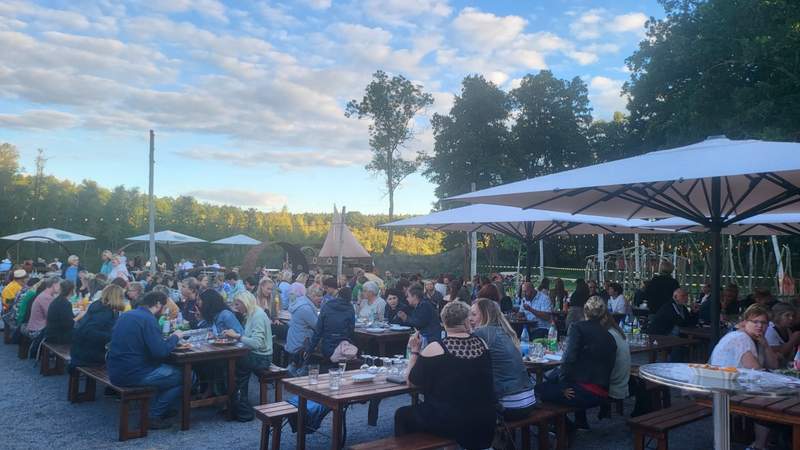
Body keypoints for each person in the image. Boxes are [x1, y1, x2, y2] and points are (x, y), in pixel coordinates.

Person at [394, 301, 495, 449]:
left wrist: (414, 351)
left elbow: (411, 382)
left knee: (402, 415)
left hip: (451, 422)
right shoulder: (482, 344)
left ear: (443, 321)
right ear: (466, 320)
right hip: (485, 419)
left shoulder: (435, 348)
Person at [107, 291, 188, 429]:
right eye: (164, 306)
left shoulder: (127, 315)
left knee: (167, 373)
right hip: (134, 374)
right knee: (186, 376)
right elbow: (160, 352)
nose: (165, 310)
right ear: (157, 304)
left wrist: (166, 342)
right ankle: (154, 415)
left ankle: (159, 408)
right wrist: (175, 337)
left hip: (115, 370)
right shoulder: (148, 319)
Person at [535, 296, 616, 430]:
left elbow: (568, 359)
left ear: (585, 310)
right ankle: (580, 421)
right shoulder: (609, 335)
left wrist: (563, 386)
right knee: (562, 380)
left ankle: (565, 429)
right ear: (603, 313)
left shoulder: (577, 327)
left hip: (586, 392)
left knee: (539, 390)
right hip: (603, 391)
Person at [709, 304, 779, 450]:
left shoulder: (756, 339)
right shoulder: (741, 338)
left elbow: (774, 366)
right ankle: (759, 446)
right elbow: (756, 370)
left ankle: (765, 440)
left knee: (774, 397)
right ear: (745, 322)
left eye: (764, 323)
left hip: (735, 385)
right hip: (723, 390)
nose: (760, 326)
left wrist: (766, 346)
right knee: (770, 401)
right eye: (755, 322)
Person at [469, 298, 536, 421]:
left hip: (510, 405)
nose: (469, 318)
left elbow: (467, 365)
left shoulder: (481, 332)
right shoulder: (505, 331)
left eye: (473, 314)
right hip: (529, 399)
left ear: (485, 315)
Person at [222, 291, 272, 422]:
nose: (236, 307)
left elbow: (256, 343)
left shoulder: (258, 316)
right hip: (256, 354)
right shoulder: (252, 314)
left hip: (262, 358)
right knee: (230, 365)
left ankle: (242, 410)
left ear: (246, 302)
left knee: (235, 368)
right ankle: (236, 406)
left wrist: (237, 336)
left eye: (238, 304)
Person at [69, 284, 126, 369]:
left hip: (79, 350)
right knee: (124, 358)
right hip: (89, 354)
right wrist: (112, 336)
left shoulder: (98, 305)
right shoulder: (105, 312)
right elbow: (90, 332)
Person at [307, 286, 356, 362]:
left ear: (338, 295)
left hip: (327, 345)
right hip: (343, 347)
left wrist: (310, 349)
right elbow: (351, 329)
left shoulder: (327, 306)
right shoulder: (350, 308)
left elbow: (318, 329)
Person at [600, 309, 630, 418]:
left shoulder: (606, 334)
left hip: (614, 382)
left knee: (577, 379)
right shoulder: (617, 331)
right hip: (623, 378)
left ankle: (581, 421)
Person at [285, 283, 319, 372]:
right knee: (297, 369)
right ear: (312, 295)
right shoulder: (306, 308)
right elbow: (317, 326)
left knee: (293, 364)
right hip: (301, 343)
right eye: (318, 296)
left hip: (294, 339)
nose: (321, 299)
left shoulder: (300, 302)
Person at [45, 280, 76, 344]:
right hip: (57, 337)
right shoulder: (65, 303)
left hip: (50, 333)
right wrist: (80, 316)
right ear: (71, 290)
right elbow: (68, 324)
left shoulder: (57, 300)